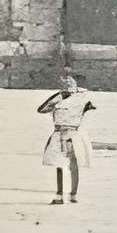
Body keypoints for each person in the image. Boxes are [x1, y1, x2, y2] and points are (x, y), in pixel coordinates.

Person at [37, 67, 96, 206]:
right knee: (59, 165)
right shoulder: (59, 97)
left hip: (73, 134)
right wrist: (58, 97)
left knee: (73, 165)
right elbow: (41, 109)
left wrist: (85, 105)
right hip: (58, 133)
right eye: (64, 80)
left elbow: (92, 106)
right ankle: (59, 196)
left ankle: (73, 194)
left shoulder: (83, 97)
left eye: (70, 79)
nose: (67, 82)